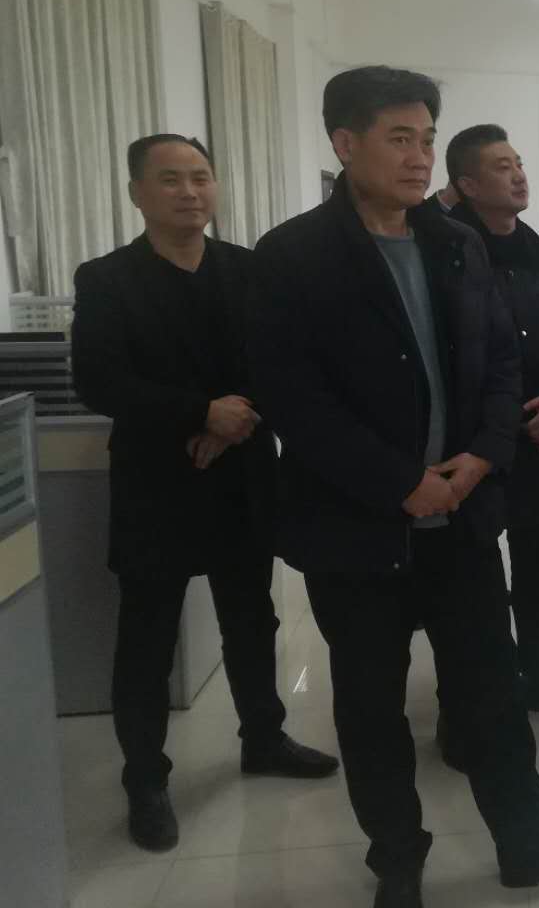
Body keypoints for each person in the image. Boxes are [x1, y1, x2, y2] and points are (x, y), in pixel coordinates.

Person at [248, 66, 539, 908]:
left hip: (460, 519)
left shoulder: (457, 244)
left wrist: (484, 456)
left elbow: (500, 362)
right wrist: (399, 482)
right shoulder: (291, 257)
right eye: (399, 138)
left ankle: (530, 842)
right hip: (355, 530)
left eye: (426, 139)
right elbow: (293, 399)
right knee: (372, 709)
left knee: (491, 697)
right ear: (344, 143)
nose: (420, 157)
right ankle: (398, 859)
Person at [71, 134, 339, 853]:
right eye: (170, 180)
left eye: (200, 177)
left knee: (252, 618)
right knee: (148, 636)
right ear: (137, 193)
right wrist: (199, 414)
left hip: (241, 475)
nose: (189, 192)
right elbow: (99, 380)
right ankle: (145, 779)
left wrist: (230, 422)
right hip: (156, 482)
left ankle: (264, 738)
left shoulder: (248, 271)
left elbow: (282, 362)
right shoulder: (107, 279)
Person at [424, 123, 539, 734]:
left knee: (535, 560)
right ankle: (465, 698)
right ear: (467, 185)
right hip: (473, 443)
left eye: (519, 162)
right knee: (466, 573)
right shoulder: (445, 252)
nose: (520, 175)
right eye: (502, 167)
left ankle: (537, 673)